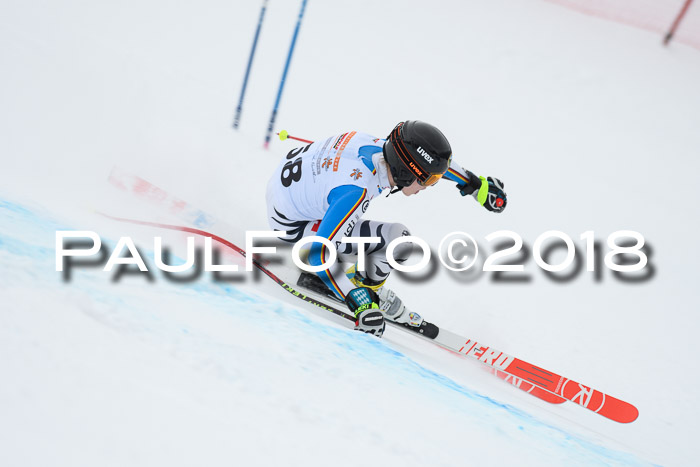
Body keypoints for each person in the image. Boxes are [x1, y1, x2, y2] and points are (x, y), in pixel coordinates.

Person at [266, 120, 507, 337]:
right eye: (427, 181)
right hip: (293, 227)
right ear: (405, 173)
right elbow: (319, 253)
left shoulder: (383, 148)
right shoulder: (356, 191)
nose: (429, 186)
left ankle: (359, 281)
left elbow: (429, 162)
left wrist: (475, 185)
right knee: (398, 242)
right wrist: (358, 302)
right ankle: (362, 287)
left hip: (289, 195)